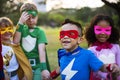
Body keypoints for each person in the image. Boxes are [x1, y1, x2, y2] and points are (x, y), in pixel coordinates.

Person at [50, 19, 120, 80]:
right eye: (62, 34)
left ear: (80, 40)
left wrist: (110, 67)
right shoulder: (61, 53)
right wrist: (50, 76)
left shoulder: (87, 54)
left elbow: (101, 67)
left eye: (71, 34)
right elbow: (62, 67)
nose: (65, 37)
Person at [13, 2, 51, 80]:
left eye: (33, 17)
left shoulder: (40, 32)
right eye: (28, 18)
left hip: (38, 66)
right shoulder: (21, 30)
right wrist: (20, 22)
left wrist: (44, 68)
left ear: (37, 16)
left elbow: (42, 51)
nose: (30, 20)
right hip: (24, 66)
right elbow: (15, 42)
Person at [85, 14, 120, 80]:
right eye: (99, 29)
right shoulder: (91, 51)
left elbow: (119, 65)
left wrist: (116, 73)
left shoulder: (116, 48)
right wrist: (108, 75)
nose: (103, 33)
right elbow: (93, 71)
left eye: (107, 30)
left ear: (111, 31)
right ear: (93, 30)